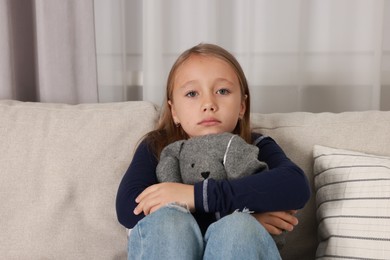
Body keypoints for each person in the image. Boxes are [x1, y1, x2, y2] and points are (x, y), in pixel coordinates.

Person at [116, 43, 311, 259]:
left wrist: (195, 197)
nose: (208, 103)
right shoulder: (157, 147)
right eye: (192, 93)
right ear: (174, 112)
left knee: (238, 229)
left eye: (222, 91)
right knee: (170, 222)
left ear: (242, 107)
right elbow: (128, 209)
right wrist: (242, 212)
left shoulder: (256, 146)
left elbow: (295, 186)